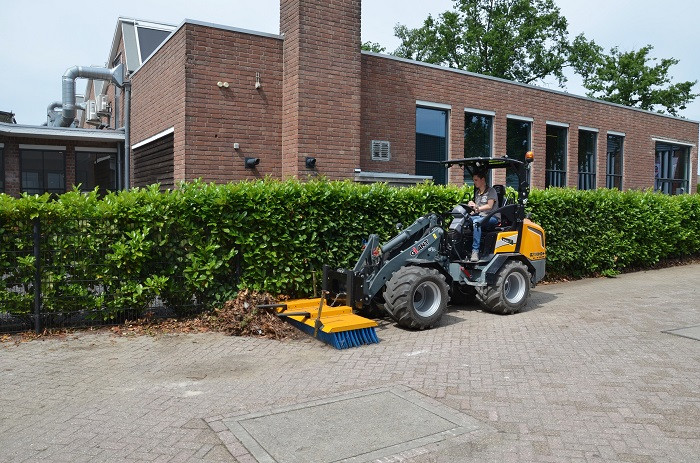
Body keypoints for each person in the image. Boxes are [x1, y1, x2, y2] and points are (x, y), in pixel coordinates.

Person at [467, 170, 500, 262]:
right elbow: (477, 209)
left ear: (482, 180)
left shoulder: (491, 191)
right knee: (465, 220)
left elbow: (489, 206)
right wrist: (470, 209)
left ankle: (475, 251)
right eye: (473, 180)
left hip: (492, 217)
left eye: (476, 180)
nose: (474, 182)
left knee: (476, 222)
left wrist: (476, 207)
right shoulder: (477, 193)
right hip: (480, 216)